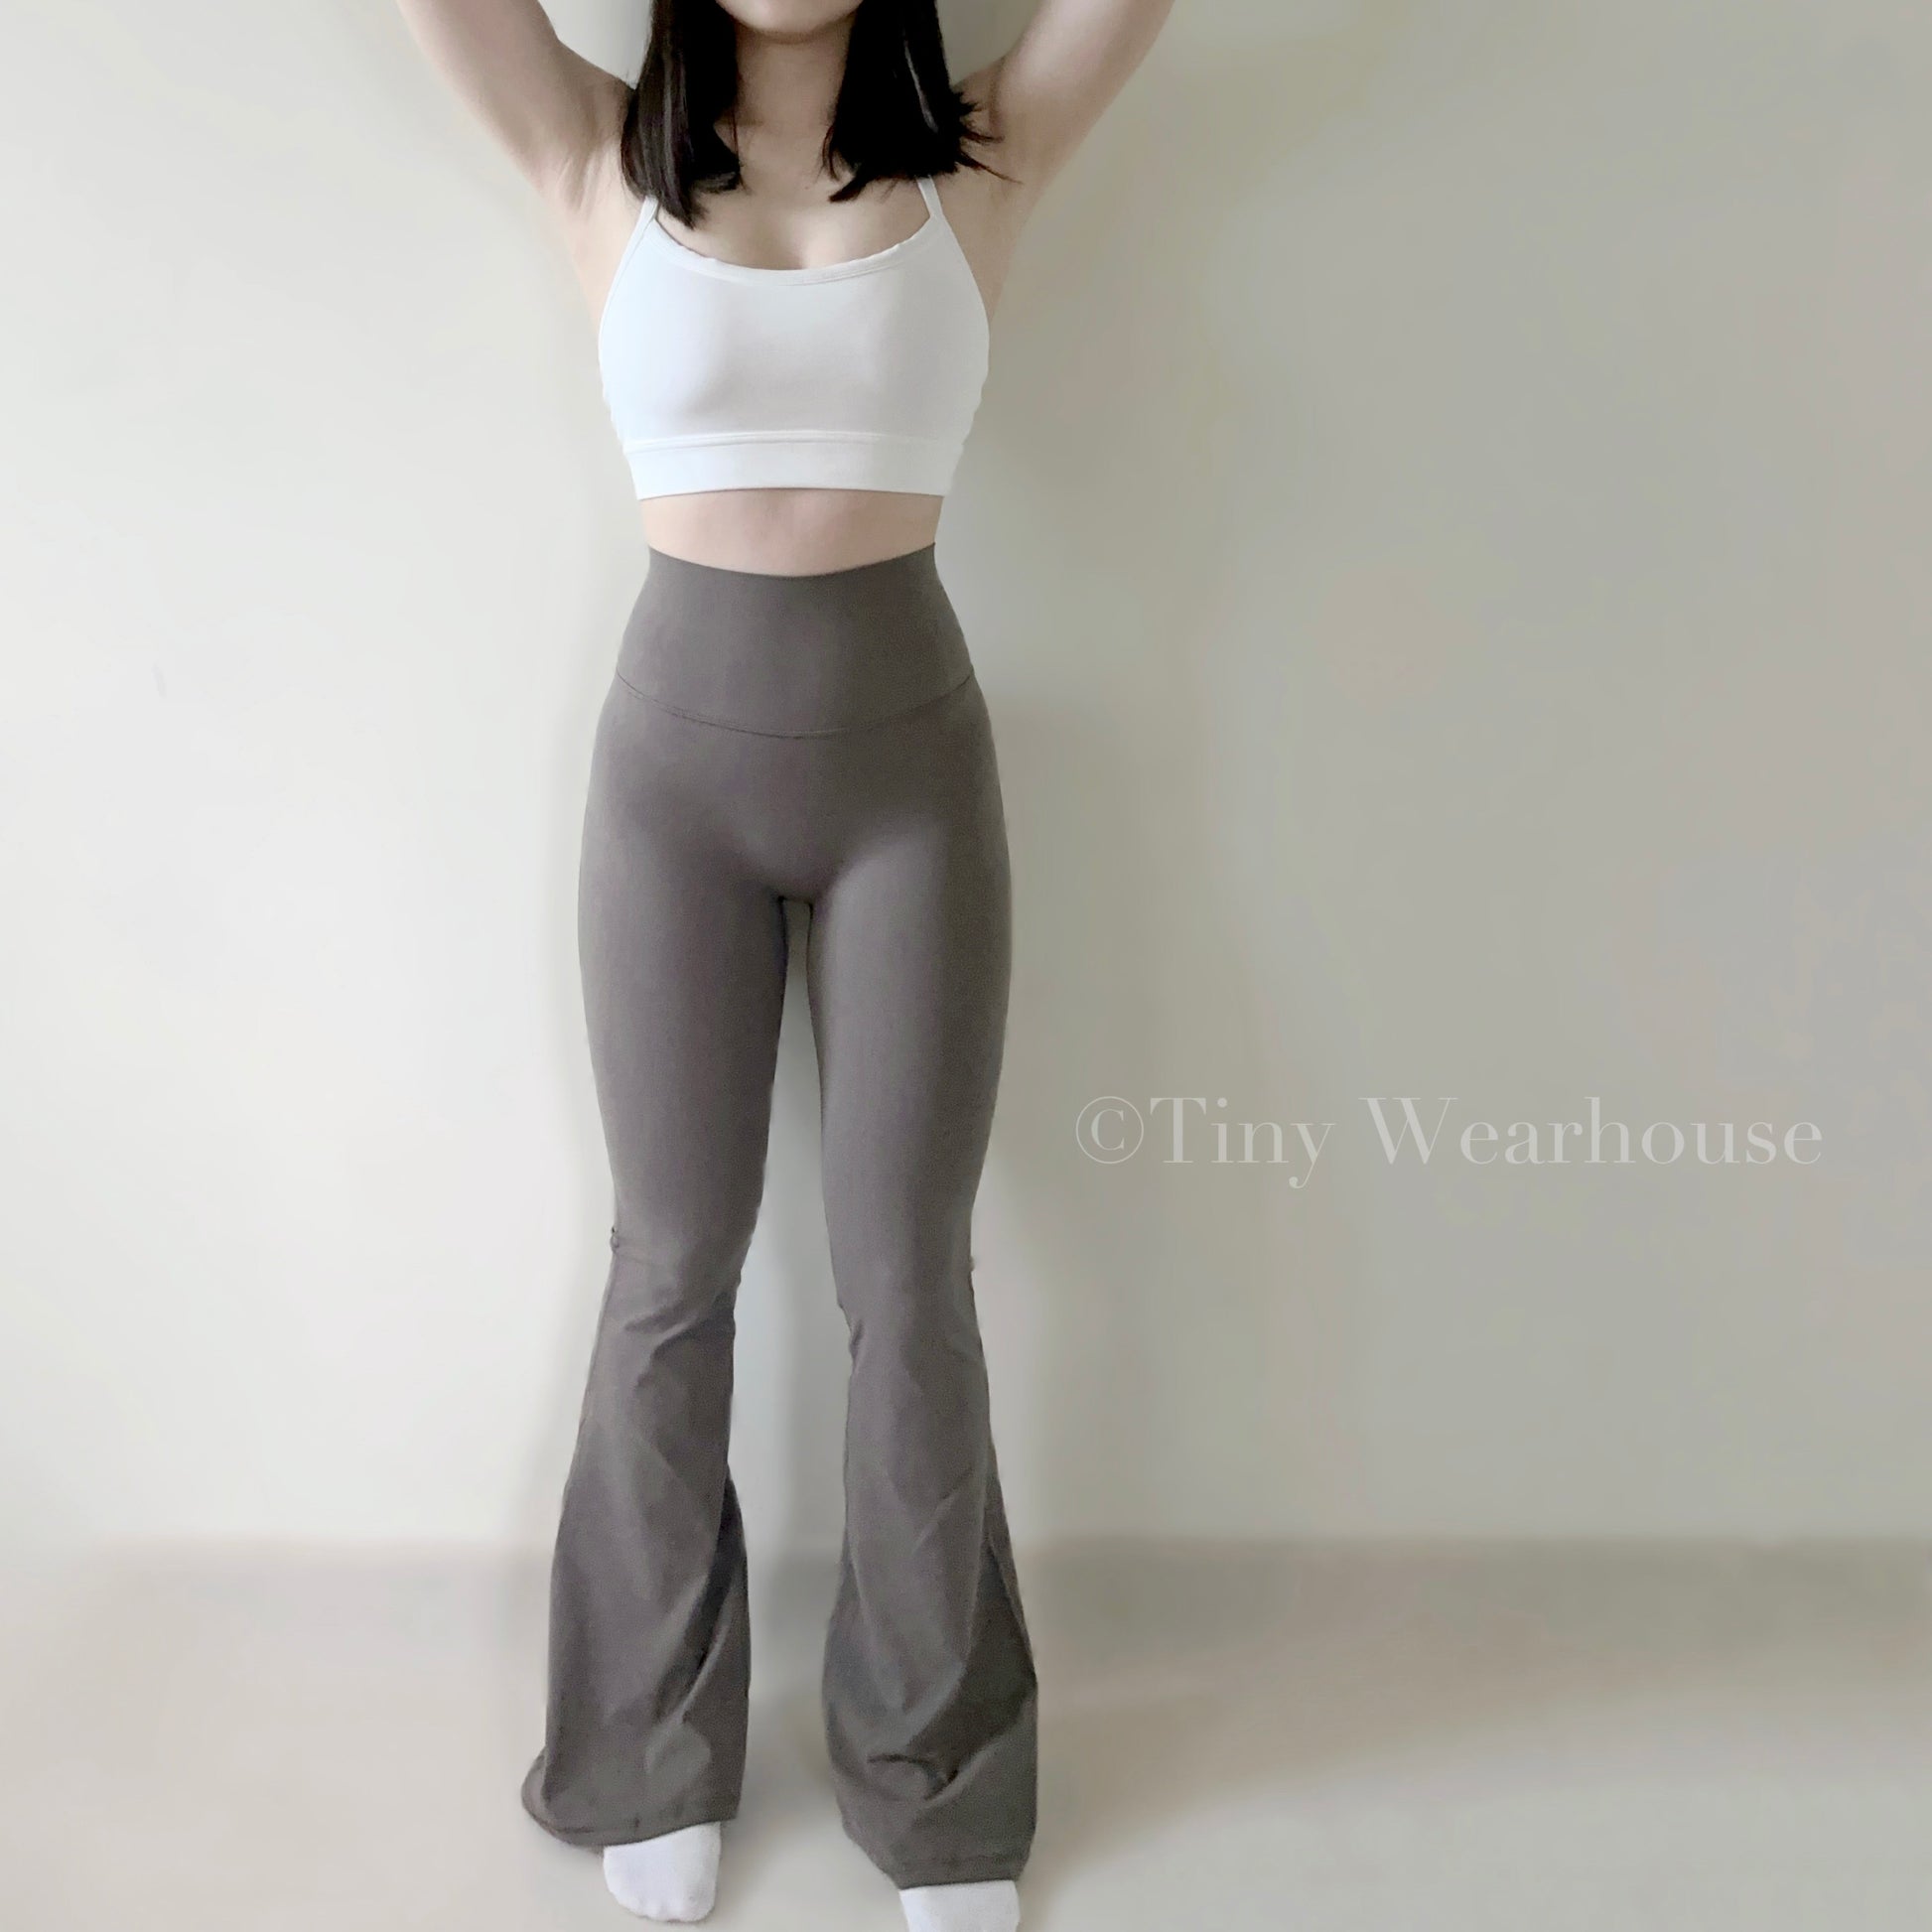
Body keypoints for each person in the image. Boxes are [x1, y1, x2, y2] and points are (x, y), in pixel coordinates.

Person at [394, 1, 1176, 1924]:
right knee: (671, 1267)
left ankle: (936, 1776)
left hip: (908, 782)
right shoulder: (595, 160)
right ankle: (644, 1746)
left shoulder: (981, 157)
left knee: (910, 1279)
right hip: (673, 786)